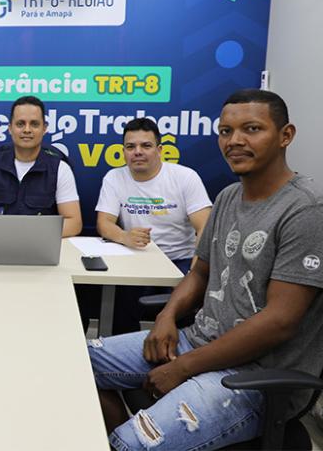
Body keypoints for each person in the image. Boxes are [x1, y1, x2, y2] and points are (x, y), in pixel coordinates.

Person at [89, 89, 323, 450]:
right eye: (226, 131)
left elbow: (280, 320)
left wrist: (185, 367)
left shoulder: (305, 210)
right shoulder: (229, 196)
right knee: (75, 363)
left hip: (252, 376)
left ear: (285, 135)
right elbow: (199, 273)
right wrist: (167, 316)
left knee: (126, 444)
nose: (235, 141)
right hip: (196, 341)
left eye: (252, 129)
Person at [94, 117, 212, 333]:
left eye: (146, 146)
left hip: (181, 260)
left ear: (159, 150)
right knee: (121, 318)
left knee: (186, 324)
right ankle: (120, 358)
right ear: (124, 151)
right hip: (136, 258)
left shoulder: (185, 177)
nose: (137, 152)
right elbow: (104, 223)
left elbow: (205, 226)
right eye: (130, 147)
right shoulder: (114, 177)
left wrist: (197, 268)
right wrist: (124, 237)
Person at [0, 95, 82, 237]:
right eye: (20, 124)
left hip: (40, 248)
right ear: (10, 128)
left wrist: (26, 235)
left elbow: (74, 223)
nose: (27, 130)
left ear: (44, 128)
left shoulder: (60, 169)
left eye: (34, 124)